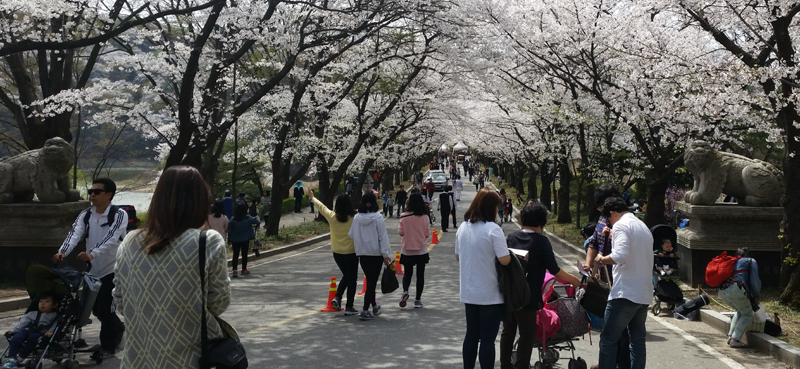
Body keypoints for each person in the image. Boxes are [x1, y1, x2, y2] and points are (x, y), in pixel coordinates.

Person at [113, 165, 233, 369]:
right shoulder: (207, 241)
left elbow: (120, 301)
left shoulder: (130, 242)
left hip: (138, 360)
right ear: (200, 201)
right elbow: (218, 302)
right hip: (191, 359)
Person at [499, 202, 580, 369]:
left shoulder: (511, 237)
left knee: (508, 332)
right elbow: (555, 270)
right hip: (529, 296)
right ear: (541, 223)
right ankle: (521, 366)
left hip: (509, 294)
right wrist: (573, 280)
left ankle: (505, 366)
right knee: (526, 335)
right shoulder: (542, 242)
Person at [54, 177, 127, 359]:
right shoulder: (85, 214)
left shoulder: (118, 215)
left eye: (97, 192)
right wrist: (62, 252)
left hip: (113, 268)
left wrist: (92, 253)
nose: (92, 195)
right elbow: (74, 234)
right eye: (91, 192)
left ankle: (109, 346)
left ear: (108, 194)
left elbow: (112, 238)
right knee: (93, 308)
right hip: (92, 270)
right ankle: (118, 327)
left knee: (105, 309)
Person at [593, 197, 653, 369]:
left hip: (624, 293)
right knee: (638, 342)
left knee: (608, 339)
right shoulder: (642, 226)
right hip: (643, 293)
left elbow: (620, 256)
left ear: (612, 213)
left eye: (609, 219)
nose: (610, 224)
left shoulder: (620, 225)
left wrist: (601, 258)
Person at [455, 188, 511, 369]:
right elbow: (505, 260)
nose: (497, 211)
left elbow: (458, 256)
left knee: (471, 335)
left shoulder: (463, 227)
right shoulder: (493, 230)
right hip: (490, 293)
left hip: (469, 292)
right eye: (496, 207)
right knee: (487, 339)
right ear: (490, 208)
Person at [310, 191, 359, 316]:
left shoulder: (332, 217)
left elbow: (322, 208)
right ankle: (348, 306)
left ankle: (337, 298)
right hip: (351, 253)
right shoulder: (355, 218)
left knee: (347, 276)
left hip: (337, 253)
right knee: (351, 279)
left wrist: (312, 198)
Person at [348, 192, 392, 321]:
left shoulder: (356, 218)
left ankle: (374, 305)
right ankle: (365, 309)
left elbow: (351, 234)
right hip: (376, 254)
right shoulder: (378, 218)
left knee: (370, 280)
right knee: (372, 283)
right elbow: (382, 237)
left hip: (362, 254)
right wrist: (385, 254)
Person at [2, 292, 60, 368]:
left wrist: (50, 331)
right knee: (16, 338)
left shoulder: (54, 316)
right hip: (27, 330)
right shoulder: (31, 314)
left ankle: (20, 357)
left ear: (54, 305)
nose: (43, 304)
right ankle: (11, 359)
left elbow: (55, 325)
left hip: (40, 333)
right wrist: (12, 331)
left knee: (33, 338)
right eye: (41, 302)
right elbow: (21, 324)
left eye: (47, 302)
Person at [719, 247, 761, 348]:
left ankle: (730, 336)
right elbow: (755, 282)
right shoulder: (751, 261)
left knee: (741, 310)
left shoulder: (733, 261)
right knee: (747, 314)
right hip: (736, 290)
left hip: (722, 291)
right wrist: (756, 297)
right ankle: (735, 339)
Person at [398, 193, 431, 309]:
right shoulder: (425, 217)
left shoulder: (403, 217)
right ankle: (418, 300)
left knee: (407, 273)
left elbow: (401, 233)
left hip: (407, 250)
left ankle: (405, 291)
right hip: (421, 250)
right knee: (420, 275)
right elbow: (427, 234)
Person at [228, 203, 260, 277]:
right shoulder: (248, 218)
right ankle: (244, 269)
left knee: (235, 254)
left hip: (235, 240)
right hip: (245, 239)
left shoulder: (233, 219)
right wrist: (253, 227)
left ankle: (234, 270)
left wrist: (229, 239)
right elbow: (257, 222)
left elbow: (230, 230)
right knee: (244, 254)